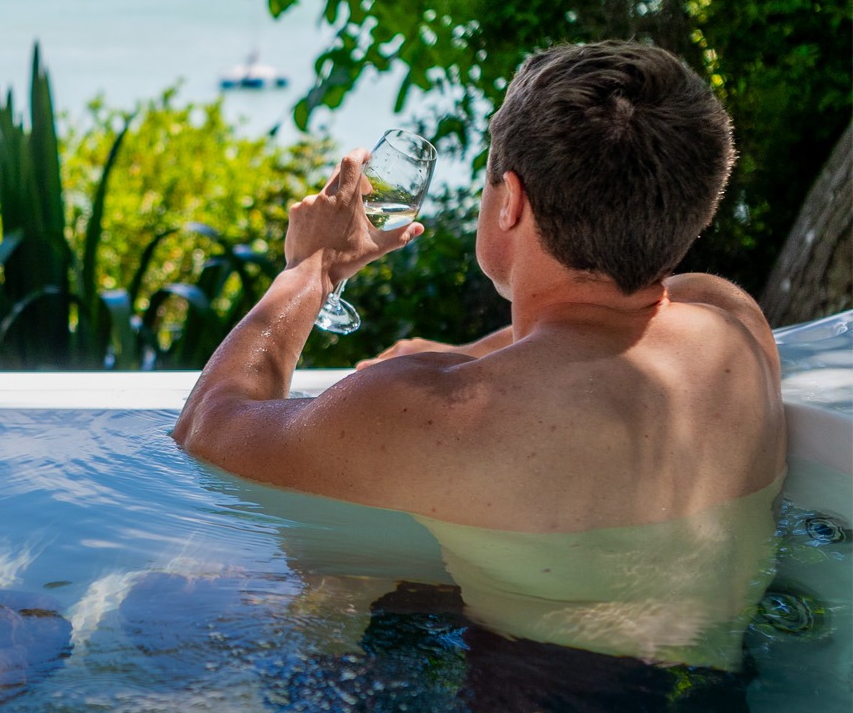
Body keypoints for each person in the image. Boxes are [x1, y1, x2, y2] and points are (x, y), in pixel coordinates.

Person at [173, 41, 785, 535]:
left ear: (510, 201)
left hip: (525, 659)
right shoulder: (734, 326)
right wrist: (466, 354)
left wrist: (311, 269)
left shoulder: (427, 415)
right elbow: (607, 325)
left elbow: (205, 429)